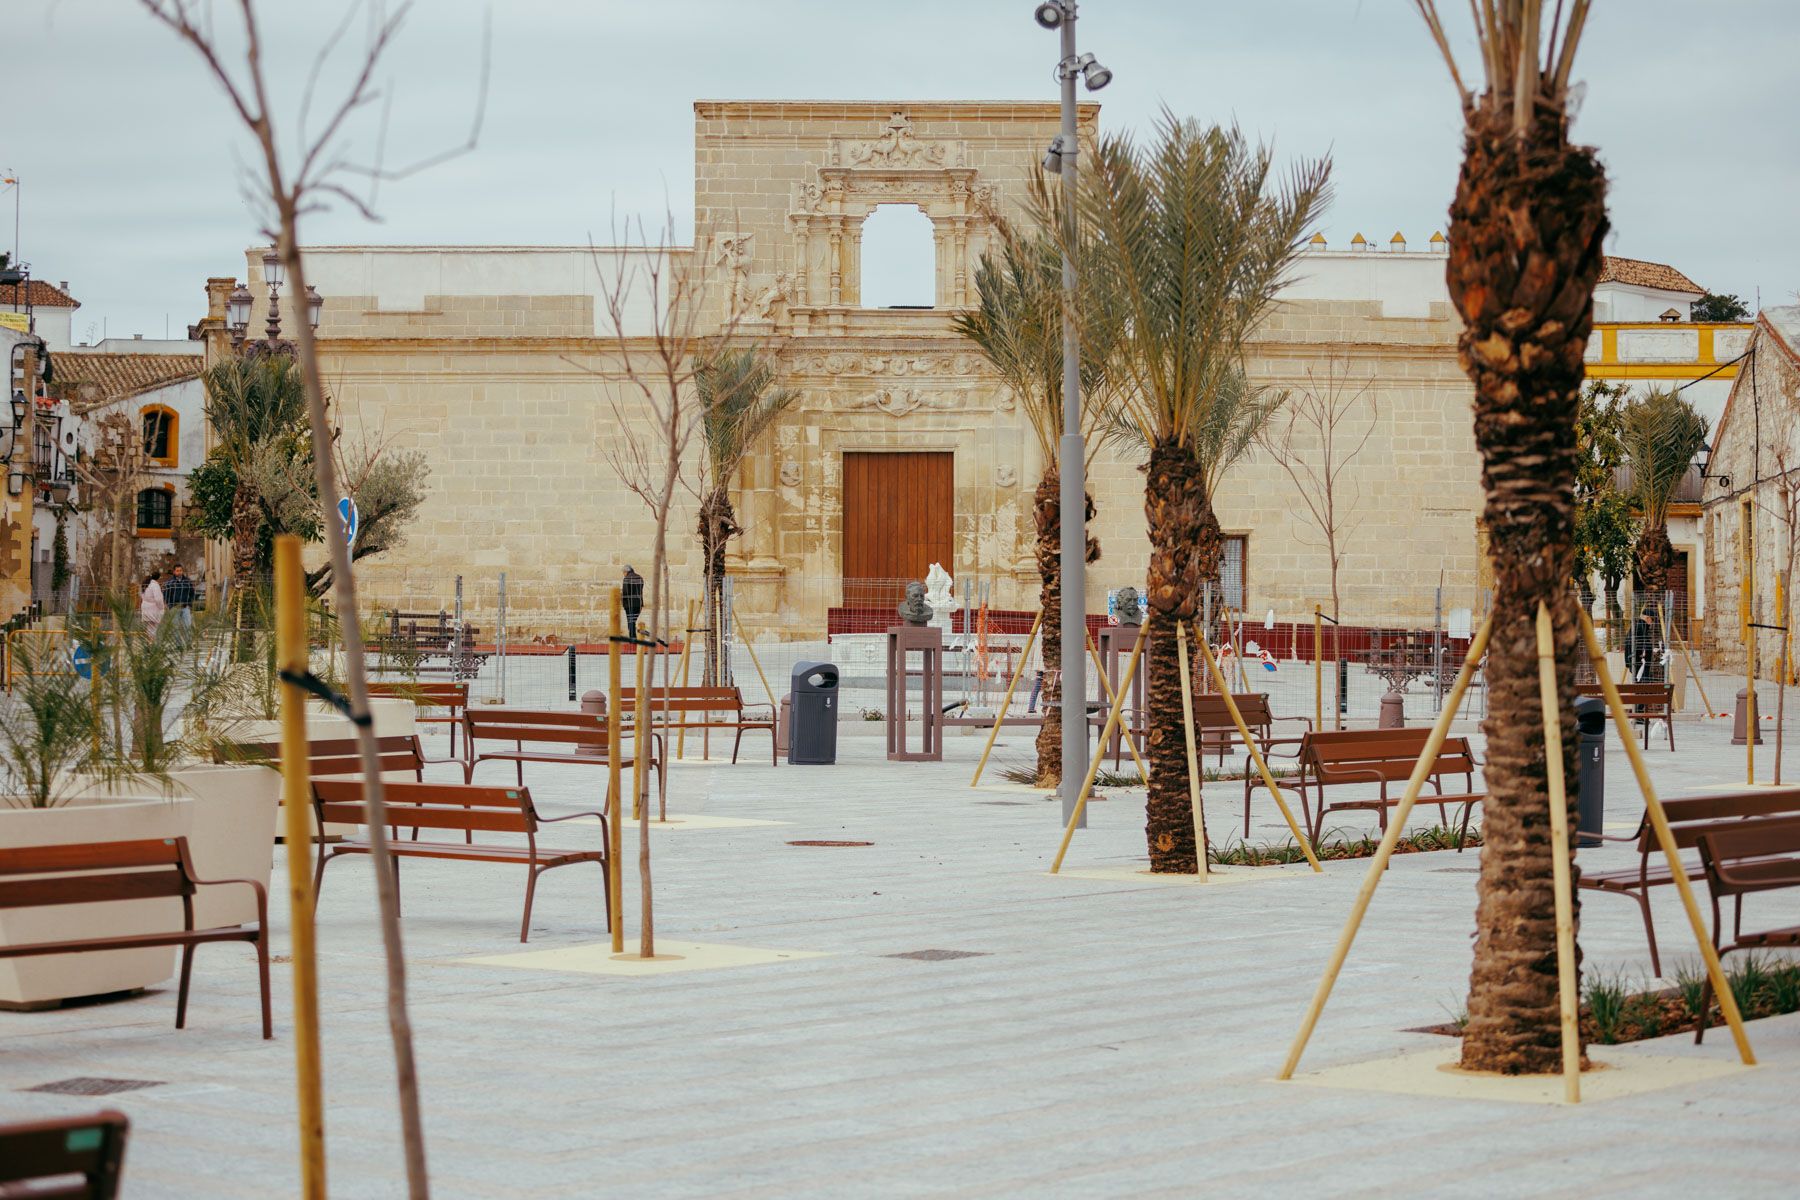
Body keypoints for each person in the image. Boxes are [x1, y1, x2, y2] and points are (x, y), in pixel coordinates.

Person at [1625, 603, 1665, 683]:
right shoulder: (1640, 627)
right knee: (1642, 683)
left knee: (1640, 683)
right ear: (1647, 618)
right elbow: (1642, 645)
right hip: (1639, 662)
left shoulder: (1640, 626)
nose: (1652, 622)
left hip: (1636, 661)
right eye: (1652, 619)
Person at [162, 564, 197, 637]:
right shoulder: (170, 582)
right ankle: (177, 645)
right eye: (177, 571)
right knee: (175, 628)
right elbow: (166, 595)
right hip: (174, 608)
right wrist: (169, 605)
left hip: (185, 608)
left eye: (180, 570)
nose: (179, 572)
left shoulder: (187, 581)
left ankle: (188, 644)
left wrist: (189, 604)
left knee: (187, 626)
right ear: (174, 572)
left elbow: (192, 593)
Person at [622, 565, 645, 641]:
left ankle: (633, 639)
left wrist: (623, 603)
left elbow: (625, 592)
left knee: (631, 622)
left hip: (629, 604)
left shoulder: (627, 579)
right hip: (638, 604)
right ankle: (634, 637)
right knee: (633, 621)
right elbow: (640, 592)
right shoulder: (640, 578)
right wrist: (641, 604)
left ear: (626, 571)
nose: (623, 574)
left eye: (623, 572)